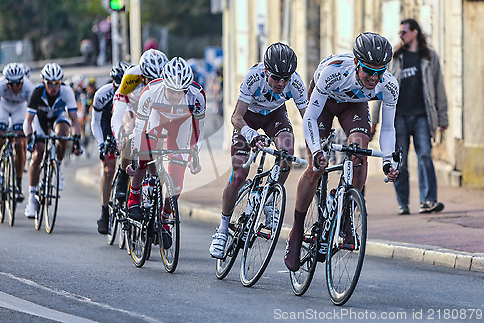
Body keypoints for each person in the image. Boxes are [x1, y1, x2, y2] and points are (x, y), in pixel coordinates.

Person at [284, 32, 400, 271]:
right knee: (316, 167)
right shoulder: (332, 72)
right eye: (369, 71)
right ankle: (296, 230)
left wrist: (389, 161)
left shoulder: (388, 84)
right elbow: (310, 118)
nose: (374, 78)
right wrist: (316, 150)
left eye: (380, 71)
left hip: (354, 105)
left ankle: (347, 210)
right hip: (324, 103)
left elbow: (388, 127)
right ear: (357, 63)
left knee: (360, 147)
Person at [209, 42, 308, 259]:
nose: (281, 83)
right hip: (248, 118)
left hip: (274, 115)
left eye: (286, 79)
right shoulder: (253, 77)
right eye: (276, 78)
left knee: (286, 152)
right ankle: (223, 229)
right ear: (266, 72)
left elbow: (308, 119)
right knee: (240, 174)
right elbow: (236, 117)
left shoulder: (296, 82)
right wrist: (251, 135)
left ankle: (270, 197)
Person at [371, 19, 448, 215]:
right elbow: (381, 88)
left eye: (404, 32)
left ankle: (428, 201)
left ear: (415, 32)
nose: (401, 35)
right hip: (398, 118)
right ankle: (402, 203)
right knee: (400, 161)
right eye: (400, 32)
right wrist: (374, 120)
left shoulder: (429, 57)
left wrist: (443, 118)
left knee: (425, 156)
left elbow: (439, 88)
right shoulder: (394, 58)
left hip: (422, 116)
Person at [125, 56, 205, 222]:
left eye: (180, 91)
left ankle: (165, 219)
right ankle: (133, 198)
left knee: (177, 179)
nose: (176, 96)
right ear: (164, 84)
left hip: (180, 125)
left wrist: (193, 154)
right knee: (144, 154)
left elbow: (198, 130)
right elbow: (140, 128)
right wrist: (135, 154)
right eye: (171, 91)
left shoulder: (197, 95)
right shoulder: (150, 92)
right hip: (157, 119)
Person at [24, 63, 82, 218]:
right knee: (38, 153)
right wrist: (30, 138)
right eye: (50, 83)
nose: (54, 87)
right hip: (40, 121)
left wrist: (76, 139)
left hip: (58, 119)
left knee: (63, 134)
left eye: (56, 83)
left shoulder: (67, 92)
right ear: (44, 83)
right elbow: (28, 121)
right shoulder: (37, 93)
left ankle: (58, 165)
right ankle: (31, 198)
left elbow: (74, 120)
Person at [111, 49, 169, 204]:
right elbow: (118, 113)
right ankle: (122, 177)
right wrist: (119, 137)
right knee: (130, 130)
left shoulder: (168, 79)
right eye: (150, 80)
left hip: (151, 108)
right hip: (130, 105)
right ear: (143, 76)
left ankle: (152, 185)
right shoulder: (132, 76)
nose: (155, 84)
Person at [0, 63, 35, 201]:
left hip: (20, 109)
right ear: (6, 82)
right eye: (11, 84)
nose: (14, 87)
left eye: (17, 83)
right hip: (4, 108)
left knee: (20, 144)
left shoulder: (29, 87)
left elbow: (33, 116)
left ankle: (18, 185)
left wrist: (32, 135)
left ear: (22, 81)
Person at [91, 62, 130, 234]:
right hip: (107, 129)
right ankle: (104, 211)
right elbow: (95, 123)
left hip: (126, 127)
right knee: (109, 169)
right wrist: (101, 143)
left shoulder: (135, 93)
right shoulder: (102, 95)